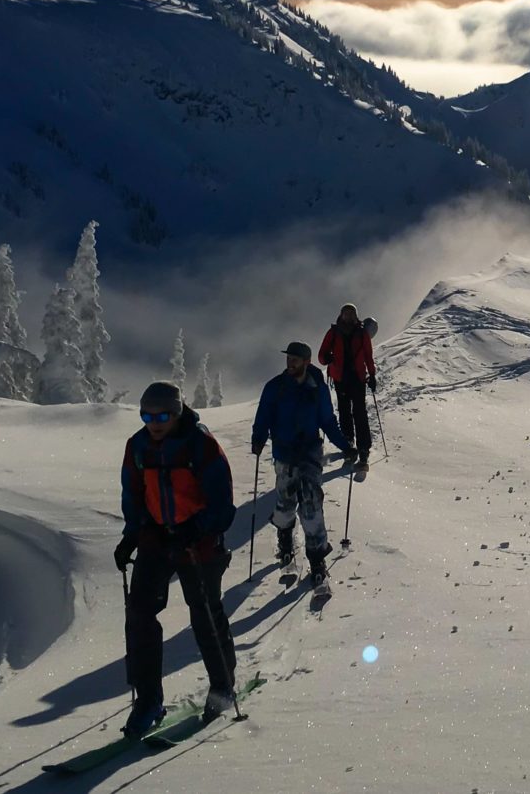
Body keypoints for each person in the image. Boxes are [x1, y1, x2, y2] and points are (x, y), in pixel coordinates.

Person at [114, 382, 238, 738]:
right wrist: (131, 537)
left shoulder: (201, 445)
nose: (154, 422)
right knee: (139, 614)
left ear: (178, 412)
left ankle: (222, 687)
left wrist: (198, 528)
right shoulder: (137, 447)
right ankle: (148, 701)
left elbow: (222, 505)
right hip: (157, 538)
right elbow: (133, 494)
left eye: (163, 415)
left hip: (199, 543)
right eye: (147, 415)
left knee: (204, 613)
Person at [251, 342, 350, 589]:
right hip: (284, 454)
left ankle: (317, 560)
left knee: (312, 506)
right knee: (285, 505)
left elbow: (327, 420)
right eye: (289, 359)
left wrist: (345, 446)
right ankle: (285, 541)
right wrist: (258, 439)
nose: (290, 363)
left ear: (306, 362)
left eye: (295, 359)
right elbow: (263, 416)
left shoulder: (317, 388)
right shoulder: (274, 388)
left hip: (309, 454)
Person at [318, 304, 376, 473]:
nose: (348, 316)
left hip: (353, 378)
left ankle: (361, 447)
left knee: (358, 412)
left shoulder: (358, 332)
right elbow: (322, 355)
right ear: (342, 315)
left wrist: (371, 375)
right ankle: (350, 443)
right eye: (346, 313)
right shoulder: (335, 332)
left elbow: (368, 356)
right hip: (342, 378)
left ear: (355, 316)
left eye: (351, 313)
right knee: (346, 411)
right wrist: (325, 358)